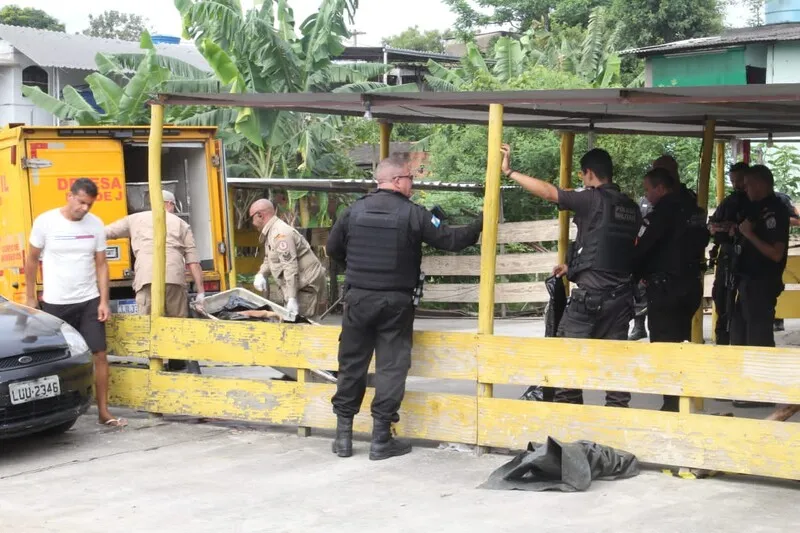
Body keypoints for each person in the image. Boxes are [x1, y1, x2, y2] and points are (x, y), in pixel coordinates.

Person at [326, 154, 482, 460]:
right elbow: (451, 240)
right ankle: (380, 440)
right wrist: (481, 222)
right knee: (391, 368)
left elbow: (333, 249)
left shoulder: (353, 211)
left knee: (352, 366)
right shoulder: (413, 214)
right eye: (411, 177)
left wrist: (356, 271)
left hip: (358, 300)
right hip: (396, 302)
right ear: (397, 180)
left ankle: (343, 438)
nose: (414, 183)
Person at [501, 144, 640, 408]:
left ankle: (571, 425)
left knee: (567, 361)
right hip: (621, 300)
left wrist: (510, 172)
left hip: (590, 300)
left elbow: (550, 193)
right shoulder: (630, 207)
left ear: (589, 173)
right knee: (617, 368)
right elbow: (608, 247)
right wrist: (572, 266)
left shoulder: (592, 199)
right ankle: (618, 425)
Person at [25, 178, 125, 427]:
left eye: (89, 205)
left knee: (99, 354)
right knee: (55, 359)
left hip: (89, 300)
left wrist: (104, 301)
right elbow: (31, 261)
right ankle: (51, 414)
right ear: (69, 196)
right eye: (81, 202)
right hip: (56, 303)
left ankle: (104, 412)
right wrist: (29, 297)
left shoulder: (96, 225)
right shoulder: (45, 222)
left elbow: (101, 265)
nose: (84, 209)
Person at [633, 167, 709, 412]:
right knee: (682, 343)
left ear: (661, 188)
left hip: (666, 289)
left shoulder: (662, 213)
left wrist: (636, 273)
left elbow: (644, 246)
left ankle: (671, 404)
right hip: (690, 285)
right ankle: (682, 398)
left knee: (665, 349)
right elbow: (703, 240)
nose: (647, 196)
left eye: (648, 190)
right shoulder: (694, 211)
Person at [105, 190, 205, 372]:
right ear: (169, 204)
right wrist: (201, 292)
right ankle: (178, 362)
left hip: (146, 277)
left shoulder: (135, 219)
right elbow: (193, 262)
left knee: (149, 323)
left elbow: (107, 232)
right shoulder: (181, 224)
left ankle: (155, 366)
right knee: (177, 323)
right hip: (174, 278)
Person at [730, 165, 789, 349]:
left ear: (760, 185)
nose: (744, 189)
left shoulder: (775, 210)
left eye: (748, 185)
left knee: (758, 340)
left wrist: (749, 235)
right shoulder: (755, 208)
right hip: (746, 281)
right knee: (739, 337)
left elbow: (776, 254)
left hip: (762, 283)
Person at [249, 199, 327, 318]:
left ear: (260, 215)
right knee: (293, 324)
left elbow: (290, 267)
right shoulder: (272, 232)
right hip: (298, 284)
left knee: (301, 326)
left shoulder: (281, 234)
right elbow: (270, 257)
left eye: (252, 218)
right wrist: (261, 274)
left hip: (305, 285)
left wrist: (291, 298)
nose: (252, 222)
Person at [708, 162, 750, 345]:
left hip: (747, 260)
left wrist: (737, 228)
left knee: (743, 307)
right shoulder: (729, 201)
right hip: (726, 257)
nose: (736, 185)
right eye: (733, 181)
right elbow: (711, 223)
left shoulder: (756, 202)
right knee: (722, 300)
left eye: (739, 180)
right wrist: (715, 227)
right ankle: (722, 341)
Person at [772, 190, 799, 332]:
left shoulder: (780, 199)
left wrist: (775, 220)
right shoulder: (741, 199)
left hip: (775, 253)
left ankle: (777, 318)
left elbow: (797, 219)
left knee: (774, 286)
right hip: (750, 254)